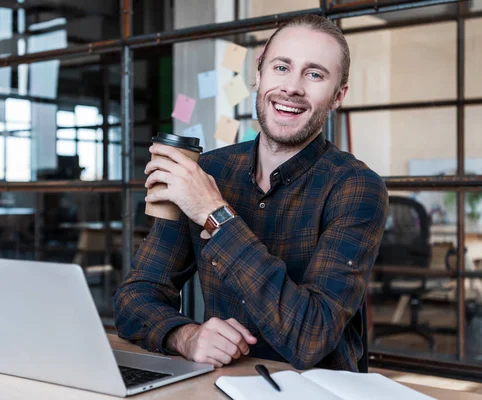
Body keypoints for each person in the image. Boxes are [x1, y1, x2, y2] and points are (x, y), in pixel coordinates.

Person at [113, 14, 388, 372]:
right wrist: (185, 335)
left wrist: (215, 212)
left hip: (315, 392)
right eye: (281, 67)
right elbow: (135, 297)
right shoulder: (206, 172)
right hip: (218, 386)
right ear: (258, 73)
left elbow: (311, 337)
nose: (292, 87)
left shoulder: (357, 187)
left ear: (338, 96)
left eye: (315, 74)